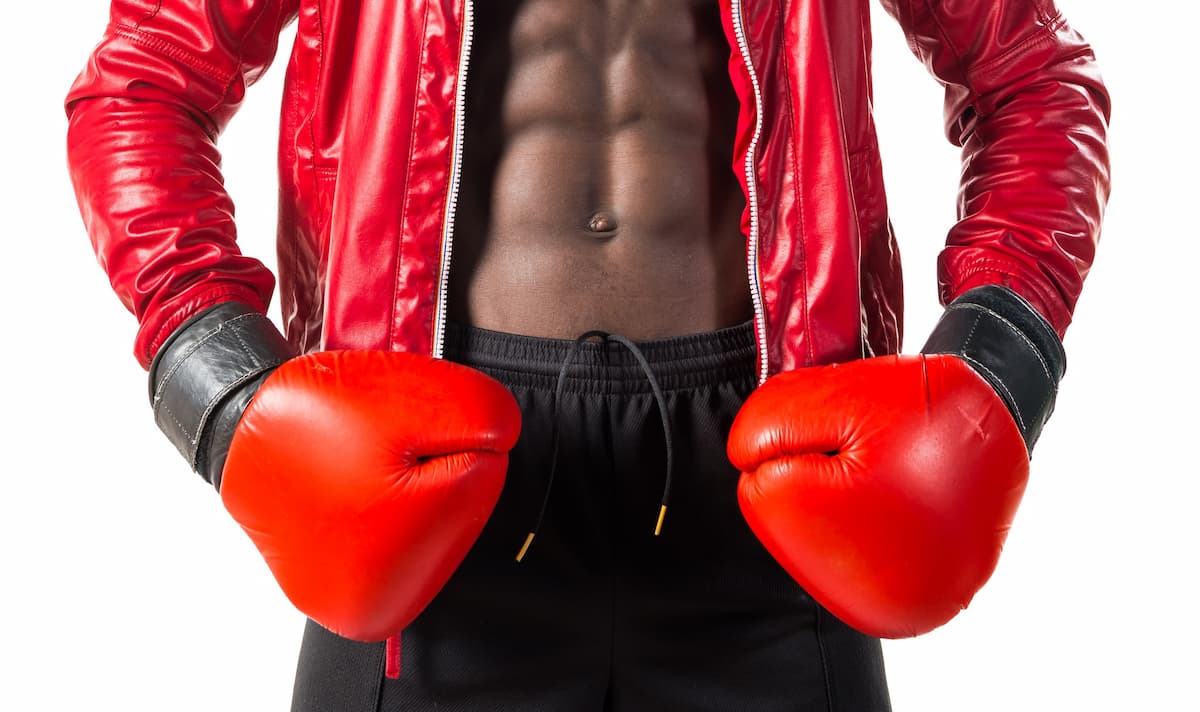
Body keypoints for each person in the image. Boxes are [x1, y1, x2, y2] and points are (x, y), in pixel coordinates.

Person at [65, 1, 1110, 710]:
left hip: (777, 478)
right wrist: (224, 390)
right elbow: (145, 84)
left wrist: (994, 365)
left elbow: (1034, 78)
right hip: (421, 484)